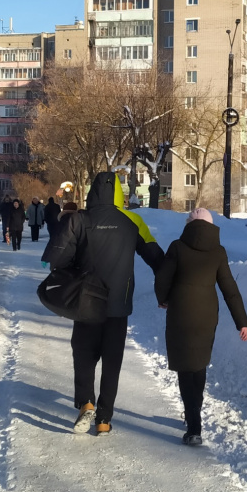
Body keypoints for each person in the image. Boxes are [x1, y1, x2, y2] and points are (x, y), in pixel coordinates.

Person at [42, 172, 164, 436]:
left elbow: (53, 258)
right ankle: (104, 419)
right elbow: (156, 259)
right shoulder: (133, 221)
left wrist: (74, 266)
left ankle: (86, 402)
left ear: (92, 192)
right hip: (118, 306)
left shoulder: (79, 220)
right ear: (119, 193)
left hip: (85, 303)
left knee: (83, 354)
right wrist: (167, 292)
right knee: (112, 361)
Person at [154, 208, 247, 446]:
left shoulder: (177, 247)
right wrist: (242, 322)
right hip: (207, 314)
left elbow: (162, 278)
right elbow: (230, 289)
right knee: (199, 364)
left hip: (181, 313)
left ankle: (193, 425)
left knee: (186, 368)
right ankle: (193, 414)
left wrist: (163, 299)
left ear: (189, 224)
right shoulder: (218, 252)